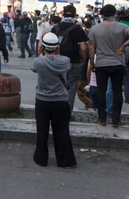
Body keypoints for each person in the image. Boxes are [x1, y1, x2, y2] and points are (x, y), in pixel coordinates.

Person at [31, 33, 77, 168]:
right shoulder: (66, 61)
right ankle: (65, 160)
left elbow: (34, 69)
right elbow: (67, 69)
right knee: (62, 131)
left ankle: (41, 159)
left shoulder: (38, 61)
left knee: (42, 131)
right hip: (61, 101)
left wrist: (41, 53)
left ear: (42, 47)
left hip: (42, 100)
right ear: (57, 47)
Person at [88, 4, 129, 127]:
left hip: (101, 63)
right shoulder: (123, 27)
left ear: (102, 15)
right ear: (114, 14)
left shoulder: (95, 29)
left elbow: (91, 47)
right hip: (118, 63)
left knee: (101, 91)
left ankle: (102, 119)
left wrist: (92, 63)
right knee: (117, 91)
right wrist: (123, 46)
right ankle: (116, 120)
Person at [51, 5, 89, 110]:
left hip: (56, 61)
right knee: (71, 87)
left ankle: (55, 111)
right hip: (74, 61)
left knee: (56, 85)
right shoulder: (77, 29)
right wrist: (84, 60)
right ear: (75, 15)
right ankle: (67, 112)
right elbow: (83, 48)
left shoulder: (56, 28)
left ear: (62, 13)